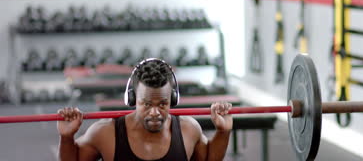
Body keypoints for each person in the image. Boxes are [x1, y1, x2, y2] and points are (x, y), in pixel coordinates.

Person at [57, 58, 233, 161]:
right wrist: (66, 137)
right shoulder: (105, 133)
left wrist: (223, 131)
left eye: (162, 104)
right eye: (147, 104)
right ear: (133, 99)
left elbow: (209, 158)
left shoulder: (188, 129)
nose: (155, 112)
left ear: (172, 99)